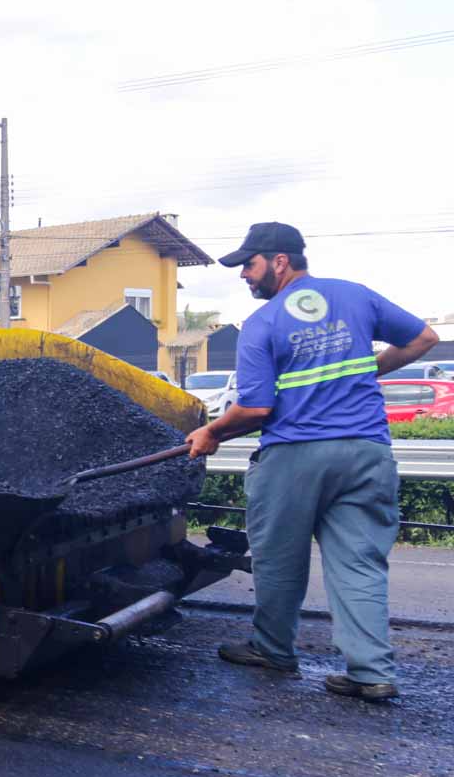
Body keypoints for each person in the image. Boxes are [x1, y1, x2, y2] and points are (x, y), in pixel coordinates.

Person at [185, 222, 440, 701]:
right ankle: (371, 672)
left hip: (295, 457)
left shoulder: (263, 323)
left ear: (280, 261)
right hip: (366, 452)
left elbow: (257, 409)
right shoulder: (354, 295)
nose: (244, 275)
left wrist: (212, 432)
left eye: (249, 264)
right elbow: (424, 339)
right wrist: (368, 368)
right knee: (360, 563)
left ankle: (274, 650)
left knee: (279, 558)